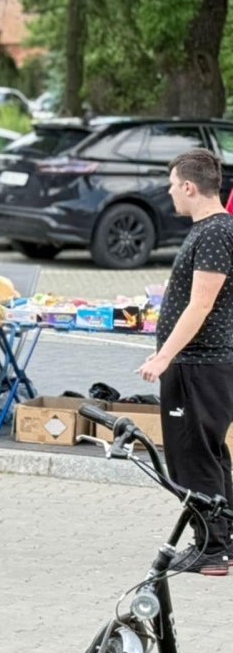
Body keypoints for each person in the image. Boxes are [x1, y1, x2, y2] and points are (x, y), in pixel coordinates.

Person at [136, 148, 233, 576]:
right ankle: (222, 541)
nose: (170, 191)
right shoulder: (212, 230)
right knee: (208, 453)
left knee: (192, 455)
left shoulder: (215, 232)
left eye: (173, 185)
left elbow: (202, 304)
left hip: (200, 363)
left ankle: (212, 549)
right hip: (198, 362)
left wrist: (164, 356)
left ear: (190, 187)